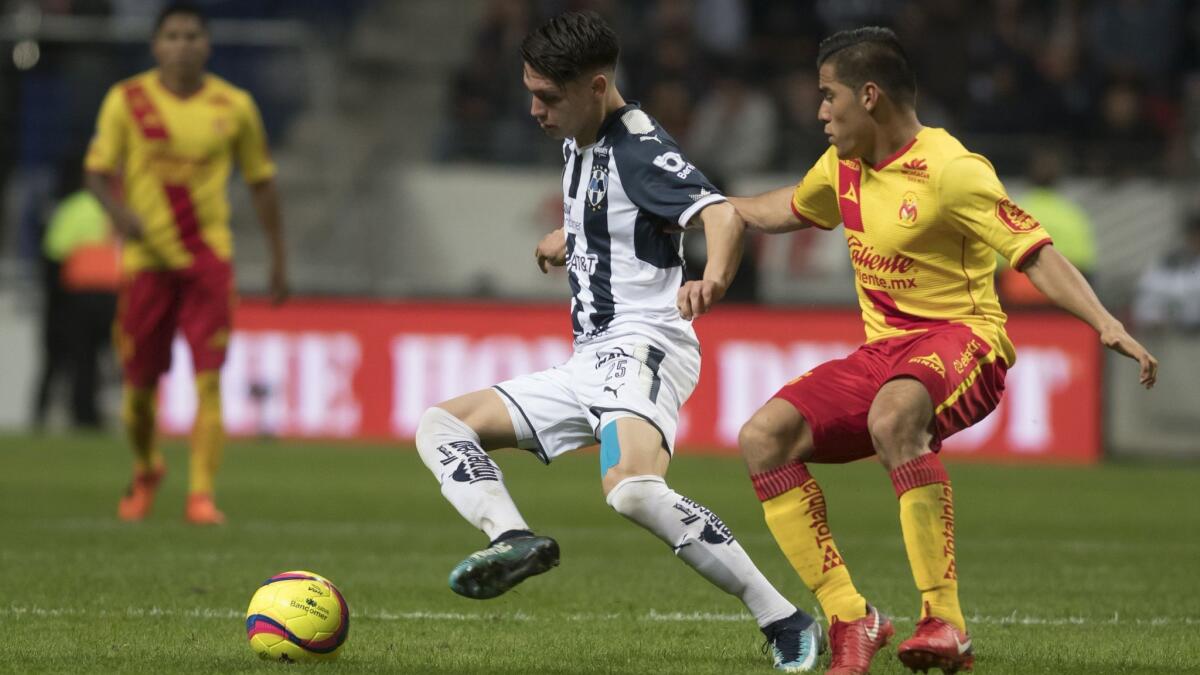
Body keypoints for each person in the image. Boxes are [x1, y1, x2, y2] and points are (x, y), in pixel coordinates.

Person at [729, 27, 1158, 674]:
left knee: (893, 417)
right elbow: (781, 208)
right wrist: (703, 208)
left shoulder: (952, 170)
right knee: (763, 436)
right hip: (884, 352)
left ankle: (945, 622)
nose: (819, 111)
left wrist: (1103, 321)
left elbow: (1033, 251)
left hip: (965, 340)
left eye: (828, 95)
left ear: (869, 96)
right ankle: (853, 616)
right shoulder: (841, 166)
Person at [414, 11, 822, 672]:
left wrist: (712, 278)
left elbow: (719, 212)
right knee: (440, 426)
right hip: (591, 359)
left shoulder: (637, 146)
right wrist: (572, 241)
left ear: (597, 87)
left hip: (644, 347)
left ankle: (784, 616)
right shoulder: (582, 136)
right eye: (530, 91)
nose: (534, 109)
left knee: (631, 489)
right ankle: (513, 538)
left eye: (548, 96)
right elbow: (622, 221)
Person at [84, 2, 288, 525]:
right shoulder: (126, 99)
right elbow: (97, 171)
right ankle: (148, 465)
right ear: (156, 45)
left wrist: (277, 259)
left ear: (207, 44)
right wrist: (118, 212)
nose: (182, 44)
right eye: (172, 35)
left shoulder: (234, 105)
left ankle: (201, 494)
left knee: (208, 380)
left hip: (207, 261)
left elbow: (261, 181)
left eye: (192, 35)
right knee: (138, 391)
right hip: (147, 262)